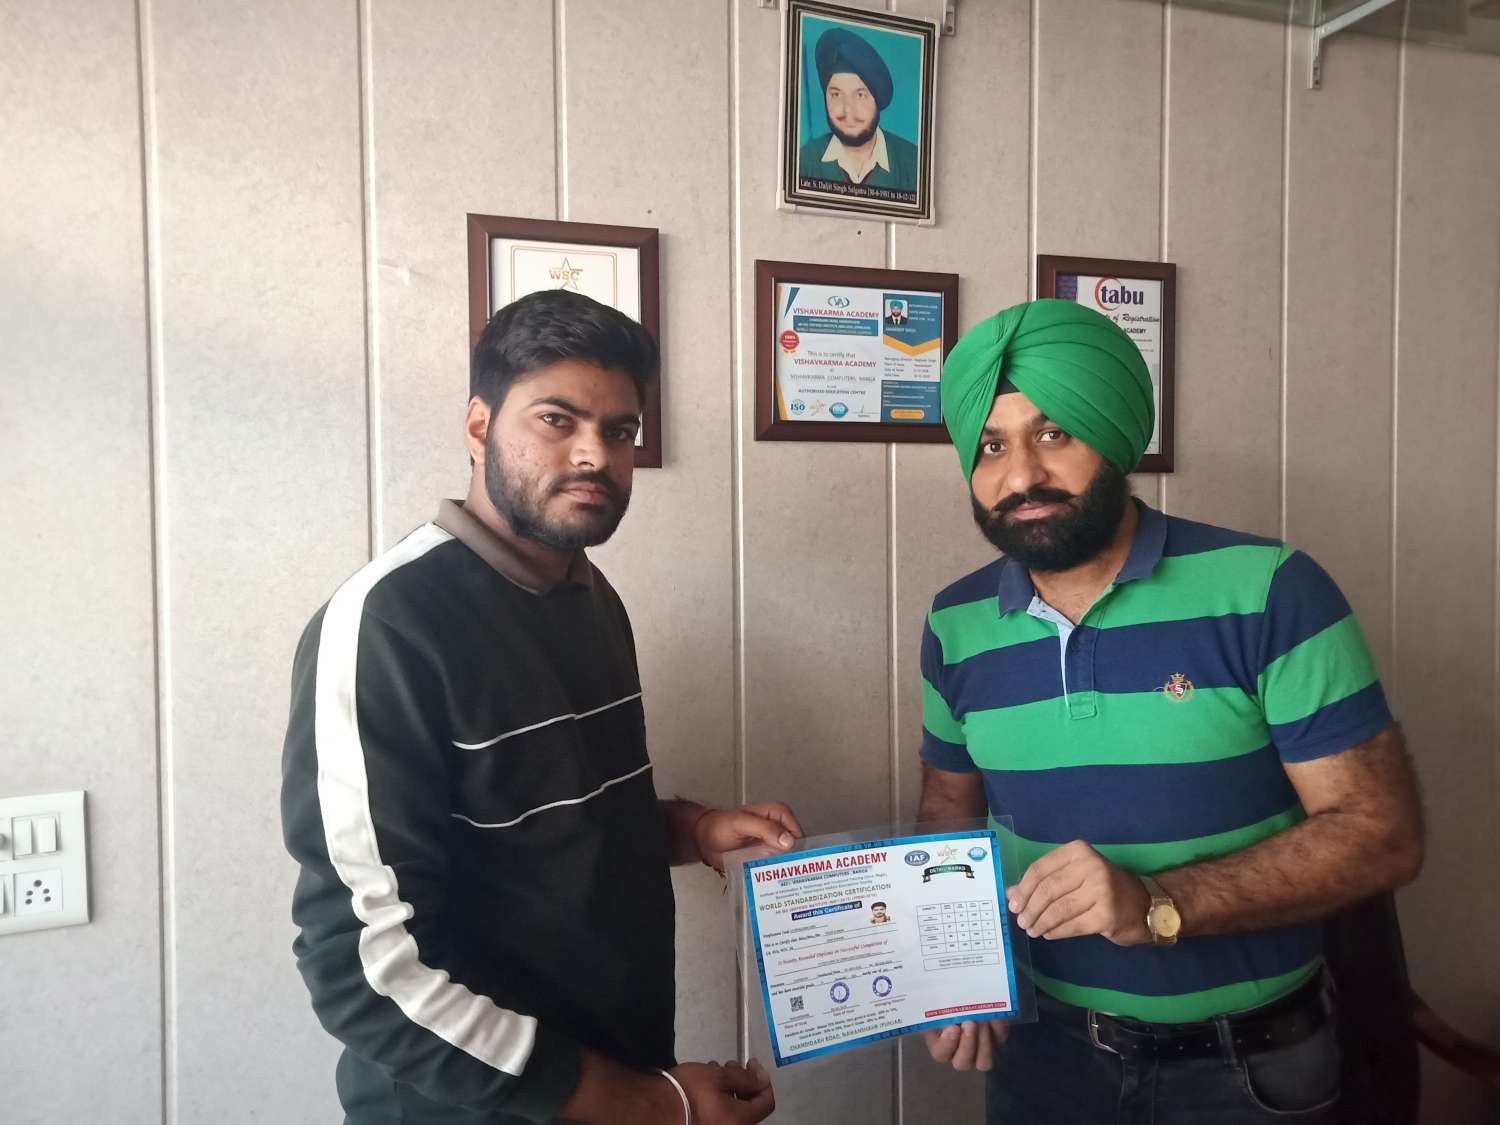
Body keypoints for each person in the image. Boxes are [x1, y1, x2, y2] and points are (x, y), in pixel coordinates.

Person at [281, 289, 801, 1125]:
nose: (595, 454)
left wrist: (696, 829)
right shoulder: (385, 626)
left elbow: (561, 823)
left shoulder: (593, 598)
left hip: (623, 1077)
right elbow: (367, 969)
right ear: (478, 426)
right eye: (557, 420)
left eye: (620, 430)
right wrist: (648, 1104)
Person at [916, 299, 1424, 1122]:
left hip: (1252, 1068)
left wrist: (1157, 901)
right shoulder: (955, 623)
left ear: (1113, 435)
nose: (1021, 477)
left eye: (1054, 433)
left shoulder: (1270, 590)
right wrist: (960, 973)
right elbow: (948, 811)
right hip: (1045, 1062)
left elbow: (1381, 832)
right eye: (991, 445)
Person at [797, 27, 919, 193]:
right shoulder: (802, 163)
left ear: (877, 99)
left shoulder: (915, 164)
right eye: (836, 94)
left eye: (860, 95)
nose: (848, 110)